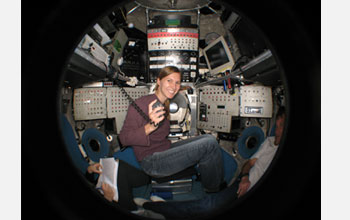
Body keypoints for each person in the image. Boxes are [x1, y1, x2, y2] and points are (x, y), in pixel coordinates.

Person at [140, 107, 286, 219]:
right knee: (208, 141)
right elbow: (249, 163)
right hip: (243, 184)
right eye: (277, 126)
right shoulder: (268, 143)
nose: (277, 131)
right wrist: (245, 177)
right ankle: (214, 189)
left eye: (281, 127)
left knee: (208, 206)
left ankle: (153, 207)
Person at [118, 66, 225, 192]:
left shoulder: (164, 103)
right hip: (152, 161)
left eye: (177, 82)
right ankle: (213, 190)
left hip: (165, 149)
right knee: (209, 144)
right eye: (169, 80)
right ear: (158, 81)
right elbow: (123, 139)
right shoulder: (140, 104)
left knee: (208, 138)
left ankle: (207, 175)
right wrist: (150, 126)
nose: (173, 86)